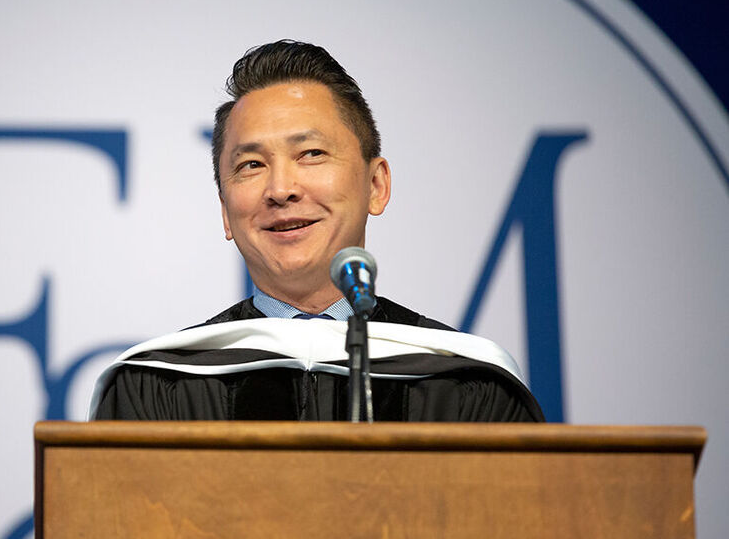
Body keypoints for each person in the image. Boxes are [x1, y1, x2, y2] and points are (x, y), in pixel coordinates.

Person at [91, 41, 543, 422]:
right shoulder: (157, 387)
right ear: (226, 212)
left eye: (310, 153)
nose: (281, 189)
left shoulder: (467, 384)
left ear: (376, 185)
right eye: (251, 165)